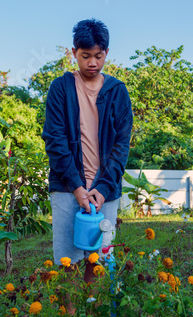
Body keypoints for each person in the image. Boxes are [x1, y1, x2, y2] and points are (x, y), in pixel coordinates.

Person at [41, 19, 133, 270]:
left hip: (106, 191)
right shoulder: (61, 88)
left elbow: (122, 146)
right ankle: (69, 311)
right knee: (67, 263)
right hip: (67, 187)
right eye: (85, 56)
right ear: (73, 53)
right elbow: (55, 140)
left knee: (99, 262)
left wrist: (102, 188)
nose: (92, 63)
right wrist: (77, 188)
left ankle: (92, 308)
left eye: (98, 56)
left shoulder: (118, 92)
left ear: (107, 53)